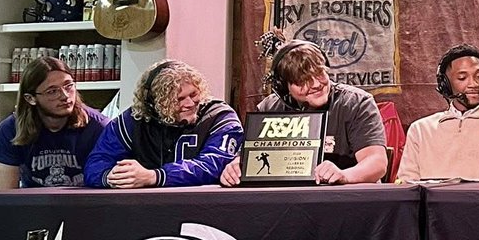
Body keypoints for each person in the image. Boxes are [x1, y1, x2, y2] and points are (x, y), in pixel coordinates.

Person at [219, 39, 388, 186]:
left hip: (347, 201)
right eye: (302, 81)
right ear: (284, 87)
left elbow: (377, 163)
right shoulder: (268, 108)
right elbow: (245, 161)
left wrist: (344, 175)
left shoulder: (356, 103)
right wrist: (234, 169)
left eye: (319, 73)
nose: (316, 84)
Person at [84, 59, 243, 188]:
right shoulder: (133, 120)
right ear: (156, 104)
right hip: (145, 209)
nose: (190, 103)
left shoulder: (220, 117)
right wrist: (113, 177)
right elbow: (96, 164)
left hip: (202, 206)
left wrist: (154, 177)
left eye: (193, 94)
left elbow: (214, 163)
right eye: (179, 99)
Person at [0, 57, 109, 188]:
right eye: (52, 91)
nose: (65, 96)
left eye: (69, 86)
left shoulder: (99, 127)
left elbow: (110, 185)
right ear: (30, 98)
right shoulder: (11, 129)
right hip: (31, 200)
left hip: (86, 200)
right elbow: (5, 193)